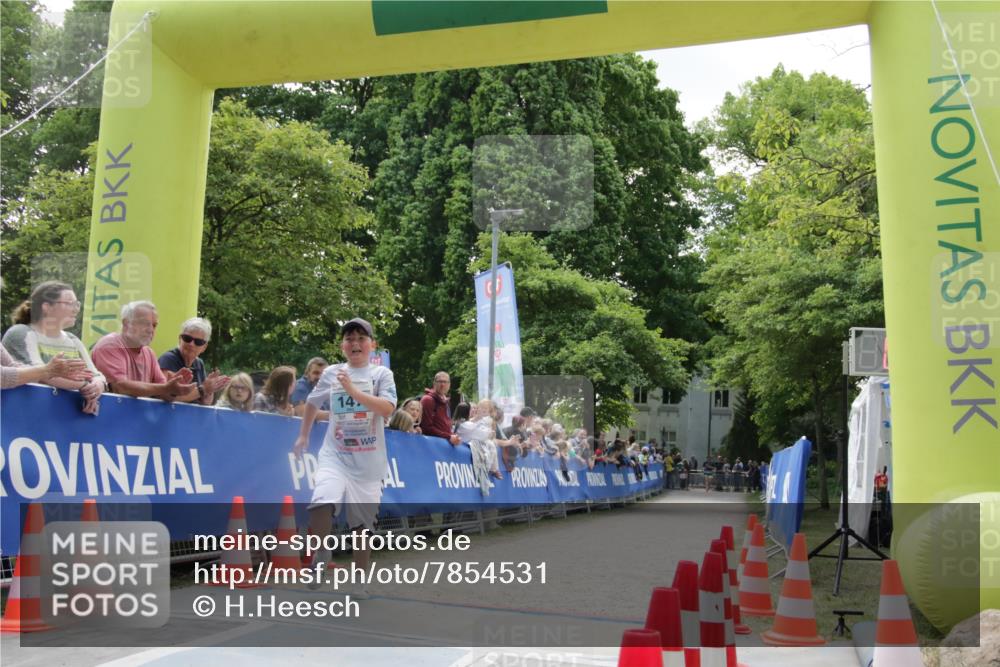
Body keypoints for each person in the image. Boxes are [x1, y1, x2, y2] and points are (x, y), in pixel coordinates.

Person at [291, 318, 396, 597]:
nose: (355, 343)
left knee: (362, 526)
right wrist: (303, 436)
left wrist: (353, 392)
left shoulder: (382, 375)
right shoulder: (332, 373)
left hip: (369, 461)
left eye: (362, 338)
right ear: (342, 346)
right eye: (349, 338)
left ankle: (360, 581)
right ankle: (322, 552)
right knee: (320, 501)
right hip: (335, 453)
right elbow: (312, 403)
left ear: (372, 345)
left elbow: (387, 409)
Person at [2, 281, 107, 413]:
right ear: (47, 307)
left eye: (77, 304)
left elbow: (96, 375)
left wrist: (97, 386)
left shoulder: (73, 340)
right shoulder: (21, 332)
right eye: (70, 303)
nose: (76, 309)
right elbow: (38, 374)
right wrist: (85, 386)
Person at [91, 301, 194, 401]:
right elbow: (120, 387)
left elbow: (163, 393)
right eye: (144, 323)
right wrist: (166, 388)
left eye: (154, 325)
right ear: (126, 323)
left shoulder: (149, 353)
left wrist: (174, 388)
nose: (150, 330)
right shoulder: (110, 345)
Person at [158, 317, 230, 405]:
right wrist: (203, 389)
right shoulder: (168, 359)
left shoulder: (199, 364)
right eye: (187, 338)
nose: (191, 344)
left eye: (198, 342)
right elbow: (165, 396)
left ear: (204, 347)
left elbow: (205, 402)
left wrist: (210, 390)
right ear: (180, 339)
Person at [2, 343, 90, 390]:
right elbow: (4, 376)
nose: (76, 309)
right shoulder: (21, 331)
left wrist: (86, 387)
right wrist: (47, 371)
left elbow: (14, 366)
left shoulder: (71, 337)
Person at [419, 372, 461, 445]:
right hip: (431, 446)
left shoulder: (446, 402)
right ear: (434, 383)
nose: (442, 384)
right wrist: (449, 437)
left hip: (442, 446)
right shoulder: (428, 400)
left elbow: (444, 426)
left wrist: (452, 436)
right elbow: (426, 427)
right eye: (440, 381)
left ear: (449, 385)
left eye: (445, 382)